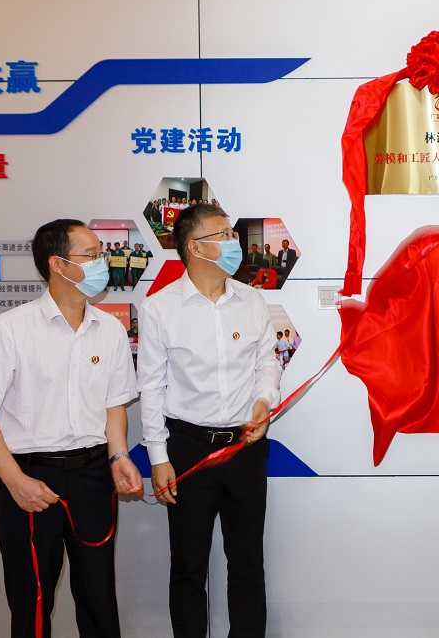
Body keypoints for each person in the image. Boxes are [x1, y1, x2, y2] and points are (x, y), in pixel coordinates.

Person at [0, 219, 142, 638]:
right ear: (57, 264)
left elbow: (114, 404)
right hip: (30, 480)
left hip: (93, 477)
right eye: (91, 255)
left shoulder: (110, 329)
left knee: (99, 598)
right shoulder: (10, 329)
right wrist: (15, 481)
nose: (103, 263)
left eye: (101, 254)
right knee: (33, 601)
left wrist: (118, 455)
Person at [138, 203, 282, 637]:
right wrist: (159, 458)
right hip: (188, 451)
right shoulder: (160, 308)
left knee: (247, 562)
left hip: (244, 449)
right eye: (223, 235)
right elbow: (151, 387)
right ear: (195, 247)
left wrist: (264, 401)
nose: (234, 242)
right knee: (188, 567)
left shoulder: (252, 301)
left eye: (231, 234)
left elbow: (268, 362)